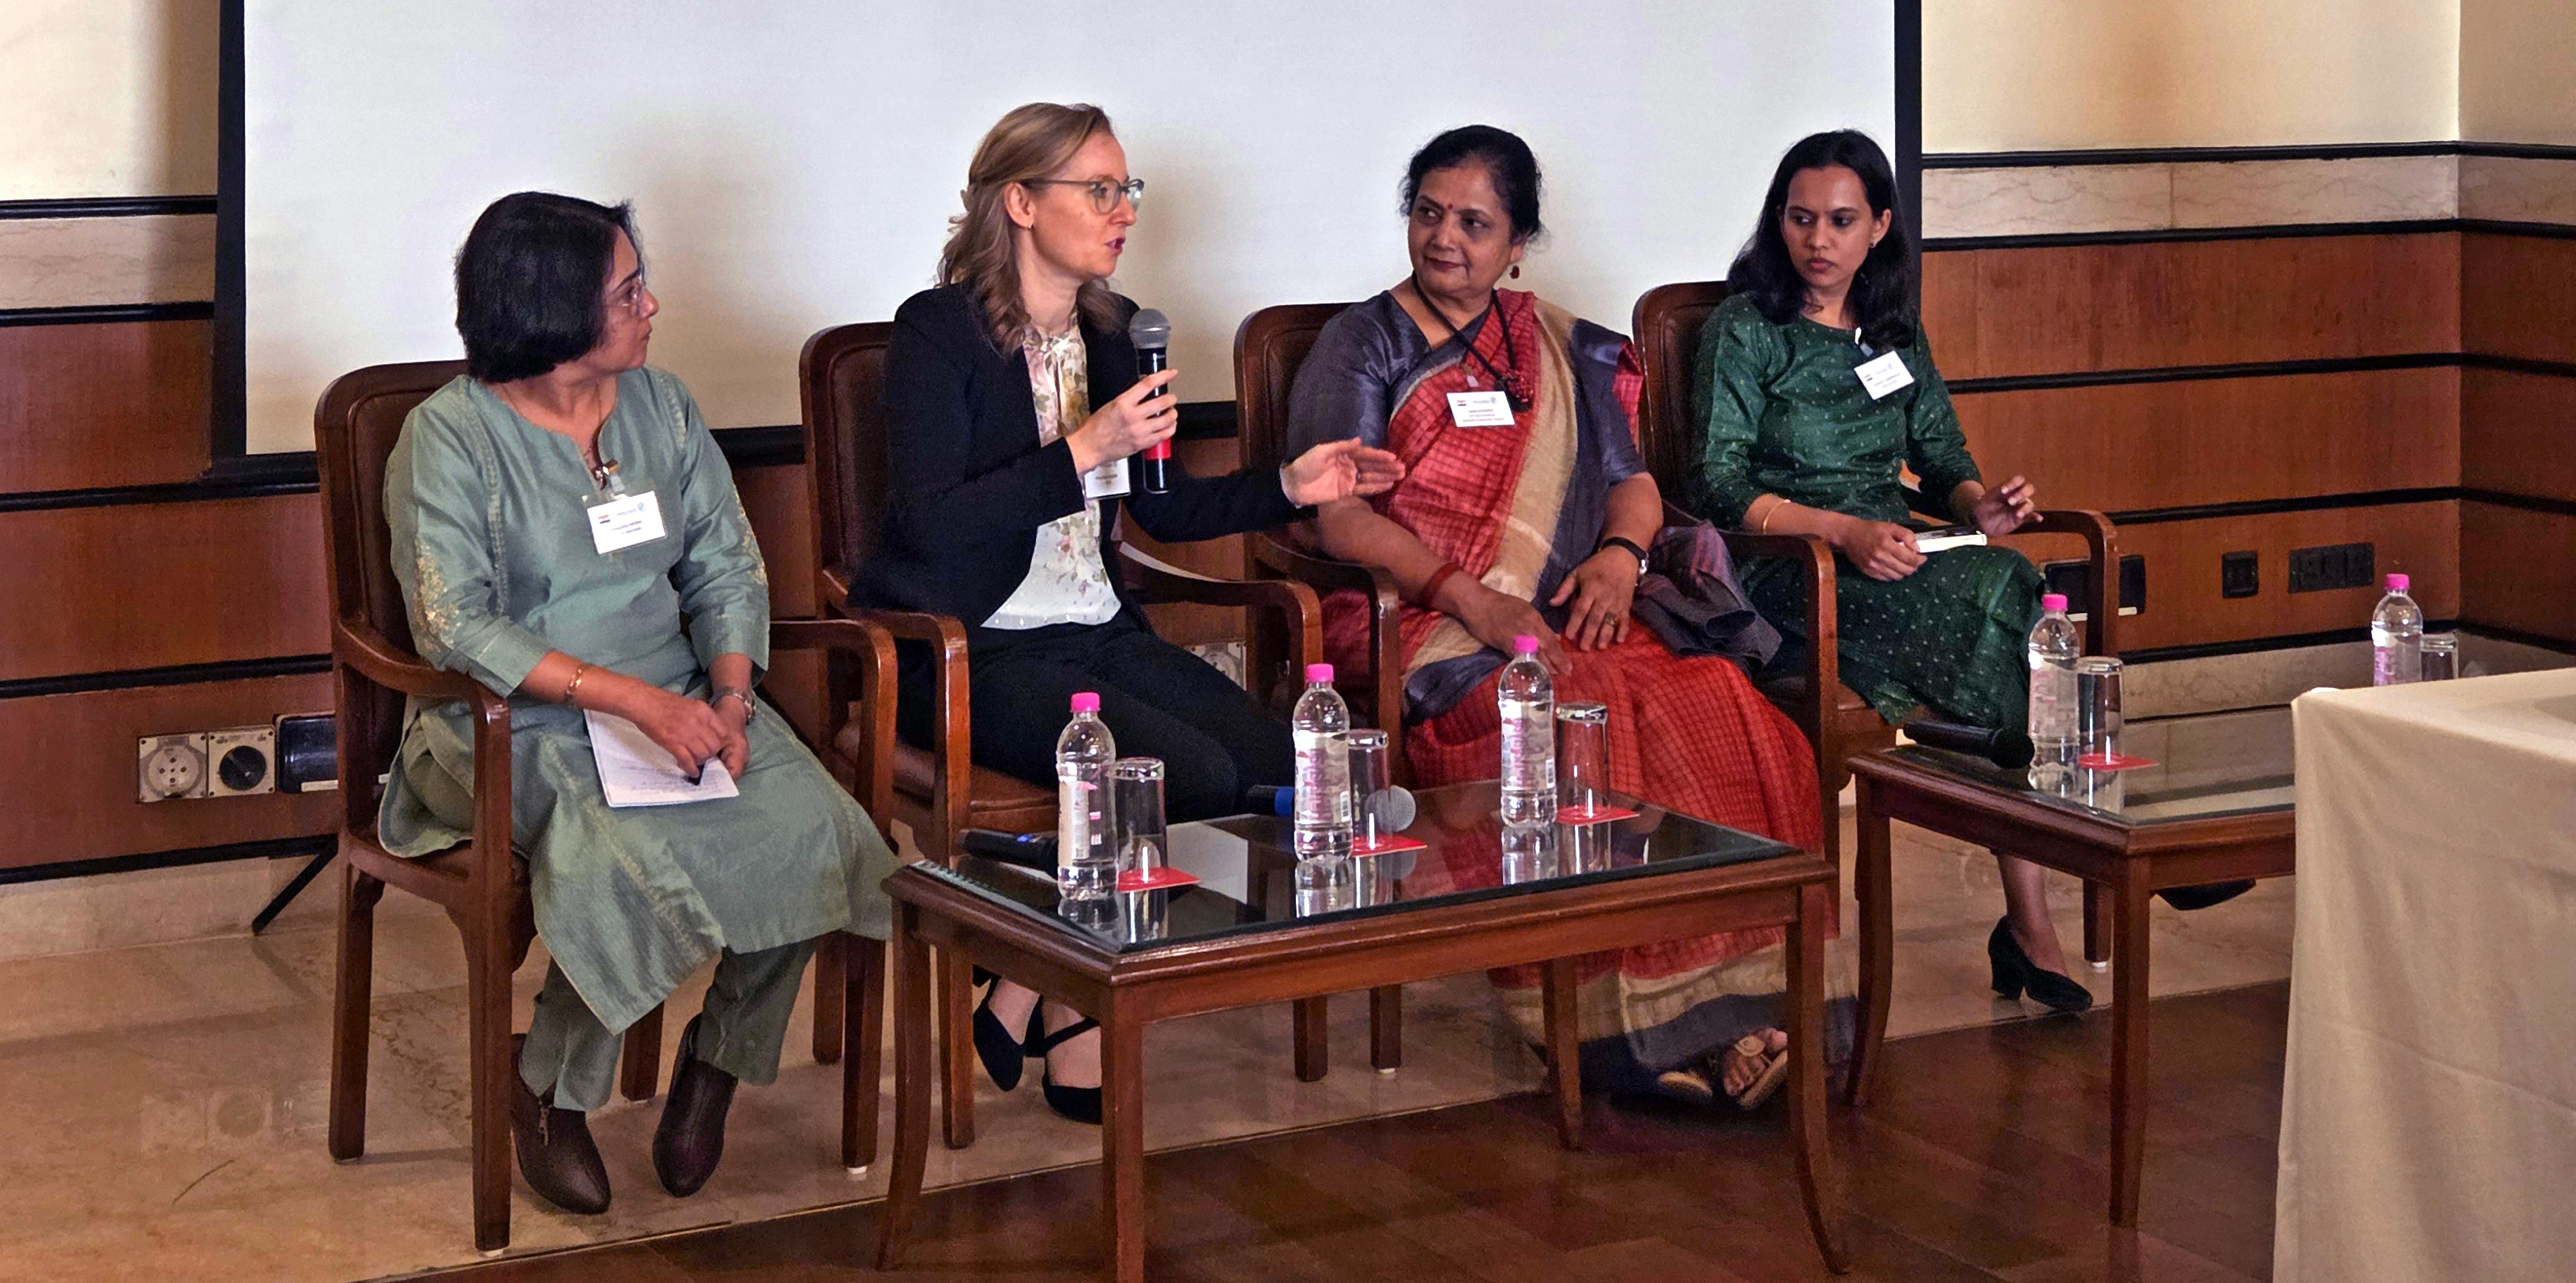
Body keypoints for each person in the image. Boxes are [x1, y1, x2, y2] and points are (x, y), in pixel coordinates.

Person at [851, 102, 1396, 1118]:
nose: (1125, 212)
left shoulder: (1115, 332)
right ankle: (1061, 998)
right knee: (1184, 777)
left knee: (1278, 765)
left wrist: (1292, 483)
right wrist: (1082, 450)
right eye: (1099, 190)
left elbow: (1166, 508)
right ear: (1020, 202)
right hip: (973, 649)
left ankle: (1030, 986)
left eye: (1126, 189)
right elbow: (930, 525)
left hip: (1098, 633)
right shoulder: (938, 331)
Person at [379, 193, 899, 1217]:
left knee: (818, 833)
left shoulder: (662, 407)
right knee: (620, 862)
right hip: (511, 724)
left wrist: (734, 697)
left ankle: (718, 1059)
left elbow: (726, 565)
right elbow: (453, 628)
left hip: (687, 702)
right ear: (551, 310)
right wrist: (633, 704)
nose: (651, 304)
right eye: (627, 292)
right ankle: (549, 1088)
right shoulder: (446, 439)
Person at [1286, 126, 1827, 1109]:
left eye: (1474, 223)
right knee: (1574, 720)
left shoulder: (1560, 344)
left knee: (1723, 704)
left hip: (1561, 611)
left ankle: (1747, 1012)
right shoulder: (1363, 343)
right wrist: (1471, 597)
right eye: (1428, 214)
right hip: (1418, 619)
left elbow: (1632, 482)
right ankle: (1619, 1034)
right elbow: (1340, 517)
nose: (1444, 238)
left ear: (1517, 243)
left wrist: (1620, 557)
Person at [1689, 128, 2096, 1013]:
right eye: (1800, 218)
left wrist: (1980, 507)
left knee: (2010, 582)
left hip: (1893, 550)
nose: (1817, 240)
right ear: (1778, 220)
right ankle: (2087, 846)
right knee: (2006, 617)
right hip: (1791, 565)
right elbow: (1719, 485)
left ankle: (2041, 884)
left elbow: (1942, 457)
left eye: (1840, 221)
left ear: (1878, 227)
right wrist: (1840, 532)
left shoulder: (1893, 331)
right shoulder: (1746, 330)